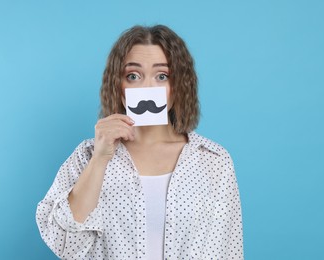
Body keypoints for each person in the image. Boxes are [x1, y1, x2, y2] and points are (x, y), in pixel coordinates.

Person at [36, 24, 243, 259]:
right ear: (118, 85)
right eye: (133, 76)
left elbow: (228, 252)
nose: (147, 88)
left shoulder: (213, 161)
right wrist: (100, 158)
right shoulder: (87, 156)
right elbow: (66, 245)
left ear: (179, 86)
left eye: (162, 76)